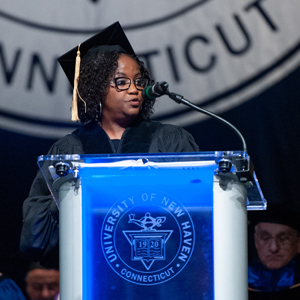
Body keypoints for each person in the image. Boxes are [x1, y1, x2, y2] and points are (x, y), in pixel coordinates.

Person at [20, 22, 200, 269]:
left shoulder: (170, 140)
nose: (135, 89)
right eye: (122, 82)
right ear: (96, 89)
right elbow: (34, 238)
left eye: (138, 81)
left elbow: (199, 209)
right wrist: (70, 197)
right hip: (92, 272)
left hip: (166, 270)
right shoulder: (69, 150)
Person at [248, 204, 300, 299]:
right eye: (265, 238)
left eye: (284, 239)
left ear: (298, 244)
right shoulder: (240, 281)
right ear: (256, 242)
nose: (274, 248)